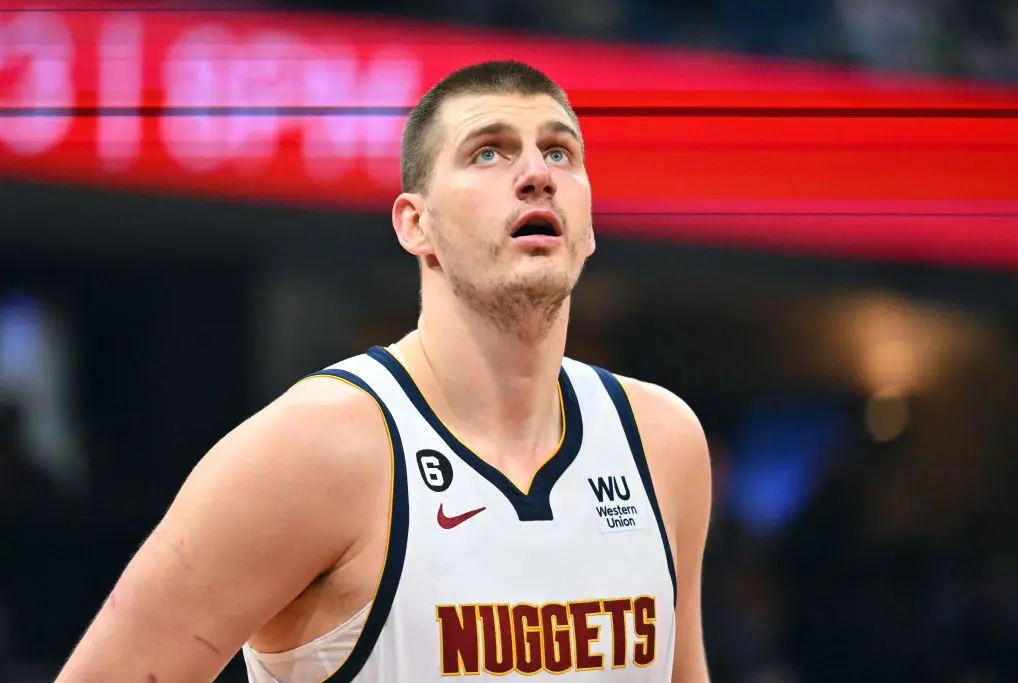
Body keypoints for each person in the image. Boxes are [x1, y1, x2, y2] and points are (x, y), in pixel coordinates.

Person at [55, 60, 712, 683]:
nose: (537, 173)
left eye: (560, 152)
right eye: (489, 151)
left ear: (588, 225)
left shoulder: (661, 440)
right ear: (415, 224)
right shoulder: (311, 448)